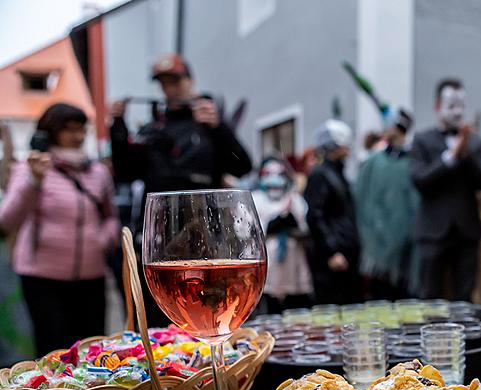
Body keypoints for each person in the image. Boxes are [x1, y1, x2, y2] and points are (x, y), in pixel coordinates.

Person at [109, 53, 252, 325]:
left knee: (206, 307)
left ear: (190, 80)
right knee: (161, 309)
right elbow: (125, 171)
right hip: (163, 233)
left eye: (175, 80)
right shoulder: (153, 129)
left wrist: (219, 127)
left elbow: (242, 165)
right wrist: (117, 126)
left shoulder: (208, 123)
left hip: (206, 235)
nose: (170, 88)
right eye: (163, 83)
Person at [0, 103, 119, 356]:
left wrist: (103, 240)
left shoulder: (98, 172)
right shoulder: (30, 169)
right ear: (51, 132)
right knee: (53, 350)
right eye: (69, 130)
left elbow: (111, 216)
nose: (77, 137)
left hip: (91, 277)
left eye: (81, 130)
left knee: (91, 350)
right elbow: (7, 220)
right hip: (43, 279)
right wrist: (34, 181)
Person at [409, 78, 481, 301]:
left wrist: (465, 154)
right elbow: (420, 181)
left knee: (465, 293)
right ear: (437, 107)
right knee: (429, 294)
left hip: (467, 229)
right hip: (433, 230)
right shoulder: (422, 140)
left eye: (461, 106)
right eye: (451, 106)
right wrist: (450, 157)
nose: (457, 112)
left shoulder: (475, 143)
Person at [355, 109, 420, 299]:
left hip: (407, 250)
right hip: (378, 247)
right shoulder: (373, 163)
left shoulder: (413, 162)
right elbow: (363, 202)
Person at [304, 119, 361, 305]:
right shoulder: (320, 175)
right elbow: (316, 216)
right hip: (332, 258)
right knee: (332, 307)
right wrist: (332, 251)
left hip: (345, 252)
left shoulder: (338, 174)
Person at [251, 156, 313, 314]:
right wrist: (272, 225)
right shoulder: (255, 199)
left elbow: (304, 227)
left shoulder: (294, 199)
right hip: (267, 259)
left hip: (292, 259)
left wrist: (290, 221)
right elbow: (247, 231)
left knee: (295, 304)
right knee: (268, 303)